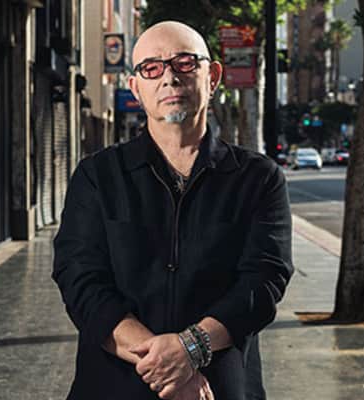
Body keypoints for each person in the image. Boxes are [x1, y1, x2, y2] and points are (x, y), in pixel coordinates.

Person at [52, 20, 293, 400]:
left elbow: (263, 282)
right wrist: (169, 368)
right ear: (135, 87)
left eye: (184, 63)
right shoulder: (97, 176)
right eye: (151, 68)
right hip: (113, 386)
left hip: (218, 387)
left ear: (212, 77)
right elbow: (79, 279)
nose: (169, 77)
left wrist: (191, 349)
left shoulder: (259, 178)